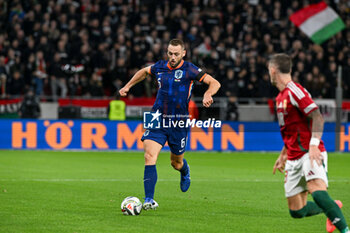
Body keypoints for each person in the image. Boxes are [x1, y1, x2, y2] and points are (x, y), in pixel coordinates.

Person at [119, 39, 220, 210]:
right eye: (170, 53)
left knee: (176, 163)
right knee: (149, 156)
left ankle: (184, 170)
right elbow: (144, 72)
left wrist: (208, 94)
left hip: (179, 121)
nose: (172, 57)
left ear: (183, 53)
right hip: (156, 116)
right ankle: (149, 200)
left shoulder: (190, 69)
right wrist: (127, 86)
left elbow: (215, 83)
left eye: (176, 54)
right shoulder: (159, 67)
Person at [269, 53, 349, 233]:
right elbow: (290, 130)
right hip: (293, 156)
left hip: (309, 152)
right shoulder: (280, 98)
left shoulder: (294, 91)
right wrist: (283, 155)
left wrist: (313, 145)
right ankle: (331, 207)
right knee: (297, 211)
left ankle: (345, 230)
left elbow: (317, 116)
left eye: (269, 70)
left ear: (273, 70)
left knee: (315, 188)